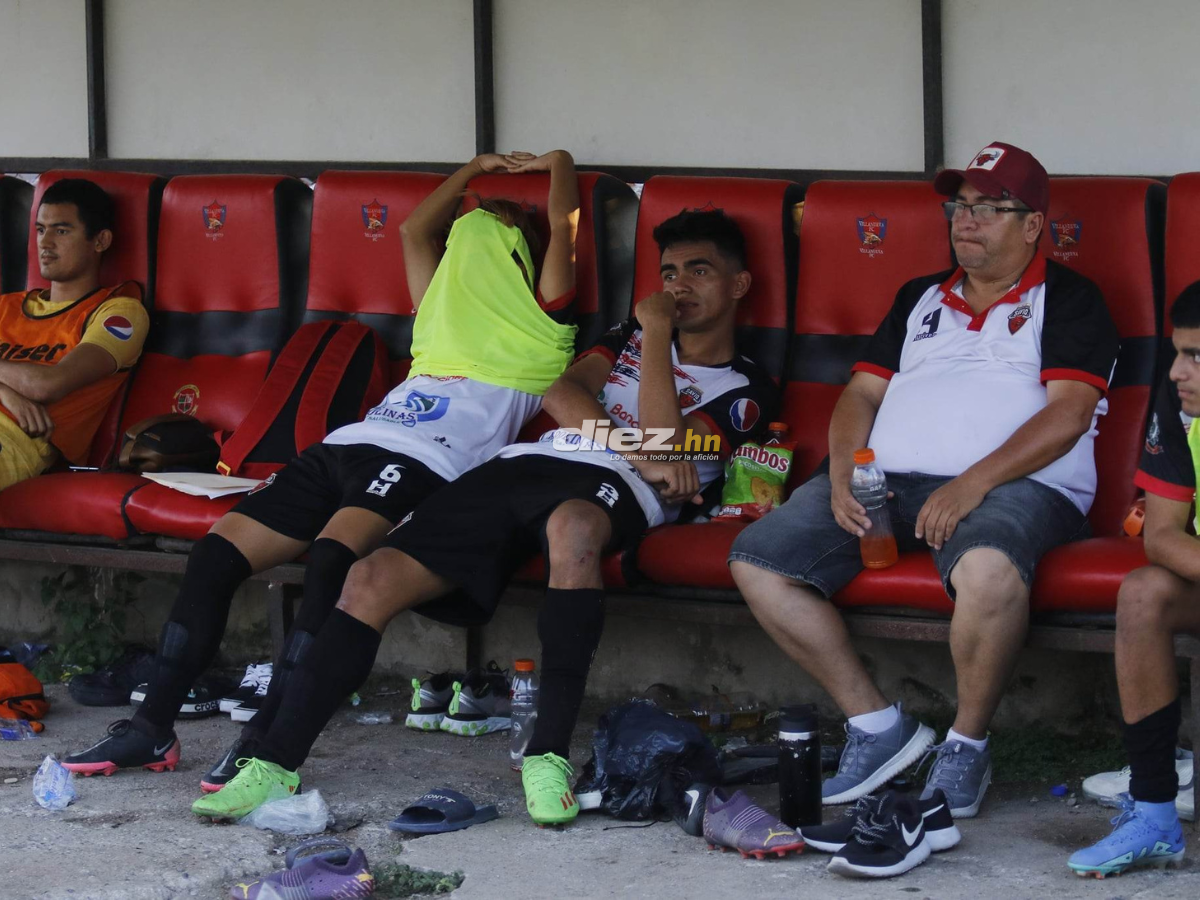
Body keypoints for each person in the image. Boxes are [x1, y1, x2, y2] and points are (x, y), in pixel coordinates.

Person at [190, 207, 778, 825]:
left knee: (572, 530)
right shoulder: (618, 339)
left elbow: (665, 443)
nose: (678, 285)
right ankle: (274, 764)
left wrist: (655, 336)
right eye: (669, 272)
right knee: (368, 577)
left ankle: (546, 754)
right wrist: (640, 441)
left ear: (738, 286)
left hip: (617, 486)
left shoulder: (748, 386)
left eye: (699, 270)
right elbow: (559, 394)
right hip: (529, 463)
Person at [64, 150, 582, 790]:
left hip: (426, 460)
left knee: (333, 561)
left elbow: (564, 222)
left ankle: (264, 740)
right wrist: (474, 172)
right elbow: (413, 229)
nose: (469, 229)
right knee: (215, 557)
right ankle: (151, 727)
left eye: (486, 223)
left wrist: (556, 161)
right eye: (466, 222)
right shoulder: (437, 310)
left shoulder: (542, 321)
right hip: (349, 444)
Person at [729, 142, 1120, 819]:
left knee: (990, 572)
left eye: (987, 208)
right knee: (759, 562)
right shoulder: (919, 296)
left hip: (1017, 488)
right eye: (959, 206)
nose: (965, 221)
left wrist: (971, 483)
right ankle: (879, 727)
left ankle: (966, 743)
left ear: (1032, 225)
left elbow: (1068, 418)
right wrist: (850, 468)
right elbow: (859, 395)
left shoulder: (1072, 300)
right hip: (888, 483)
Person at [1067, 283, 1200, 877]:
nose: (1178, 372)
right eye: (1178, 352)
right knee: (1143, 591)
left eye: (1198, 356)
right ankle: (1154, 815)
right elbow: (1164, 535)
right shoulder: (1180, 406)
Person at [0, 178, 148, 488]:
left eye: (61, 231)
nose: (45, 242)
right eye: (40, 229)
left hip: (13, 442)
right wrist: (6, 393)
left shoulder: (117, 311)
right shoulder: (5, 306)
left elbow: (48, 385)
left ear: (100, 240)